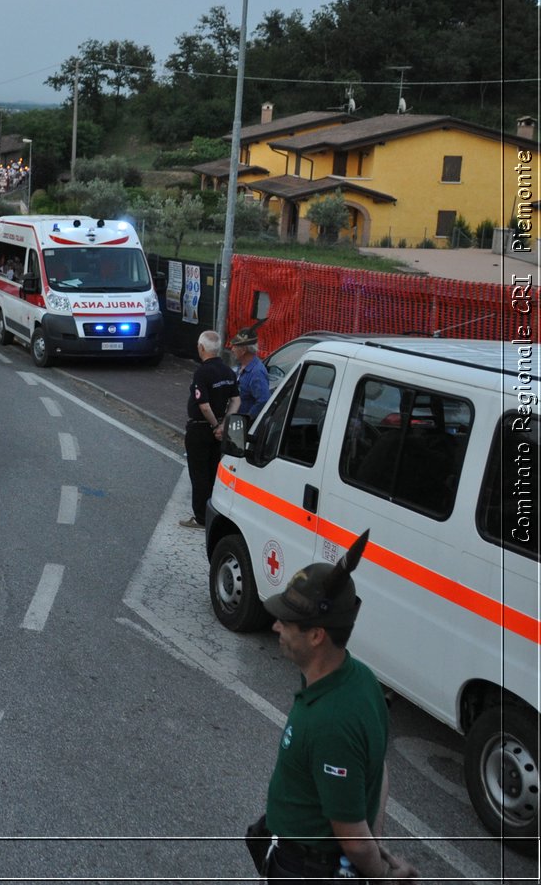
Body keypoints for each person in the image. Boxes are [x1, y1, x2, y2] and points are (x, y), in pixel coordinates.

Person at [254, 532, 417, 881]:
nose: (275, 625)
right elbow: (378, 770)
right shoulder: (359, 678)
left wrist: (380, 876)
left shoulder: (330, 722)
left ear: (316, 636)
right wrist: (374, 837)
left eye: (287, 621)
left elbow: (353, 842)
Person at [181, 330, 240, 529]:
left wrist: (215, 425)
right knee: (213, 472)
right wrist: (224, 425)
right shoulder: (228, 372)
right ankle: (214, 512)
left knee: (199, 475)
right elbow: (236, 400)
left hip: (200, 430)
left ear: (202, 348)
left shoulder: (202, 372)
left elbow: (203, 405)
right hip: (219, 431)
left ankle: (200, 517)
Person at [230, 328, 272, 423]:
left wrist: (246, 419)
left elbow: (263, 400)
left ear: (244, 350)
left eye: (235, 346)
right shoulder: (240, 365)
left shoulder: (257, 373)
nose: (232, 349)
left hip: (242, 427)